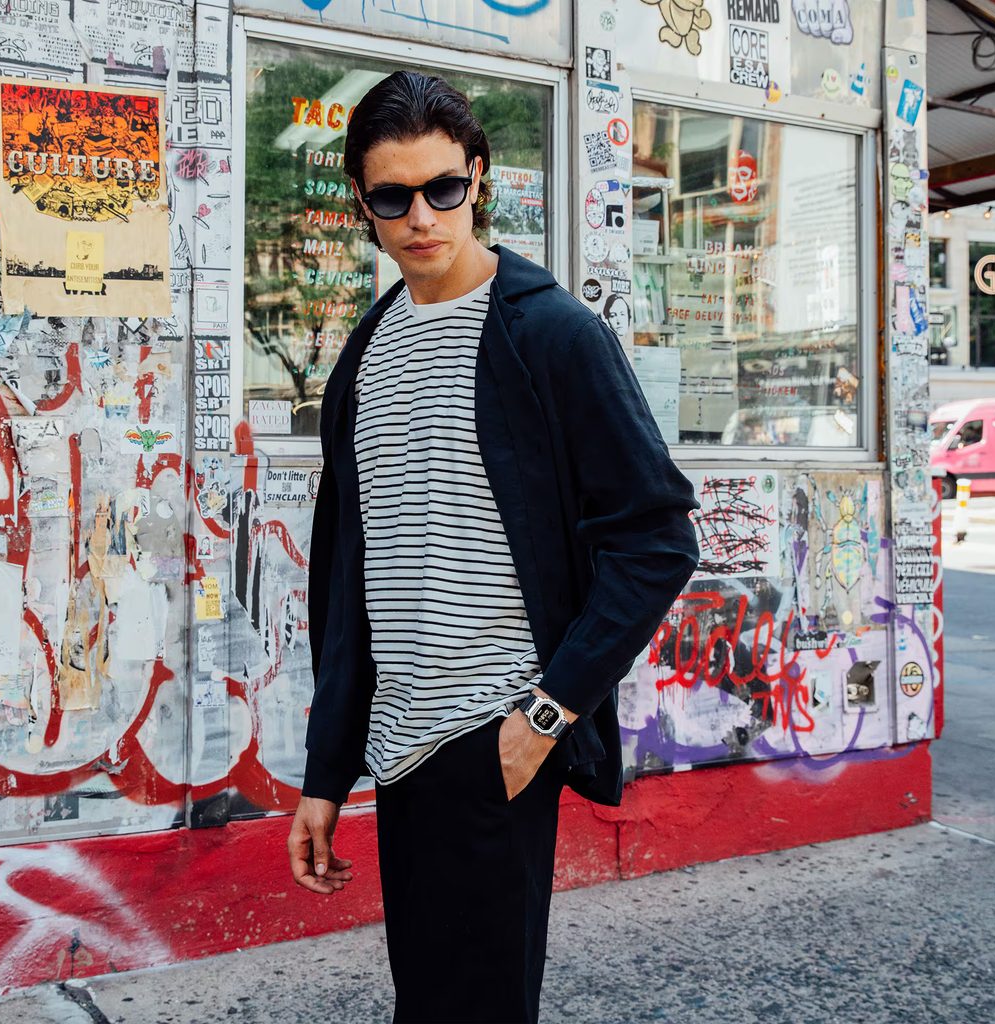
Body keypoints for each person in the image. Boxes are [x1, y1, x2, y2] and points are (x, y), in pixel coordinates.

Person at [287, 70, 700, 1024]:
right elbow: (350, 580)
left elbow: (656, 537)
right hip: (398, 747)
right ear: (362, 201)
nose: (421, 217)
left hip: (496, 735)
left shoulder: (551, 335)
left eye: (443, 188)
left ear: (478, 176)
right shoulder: (365, 353)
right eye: (393, 197)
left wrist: (545, 717)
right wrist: (325, 771)